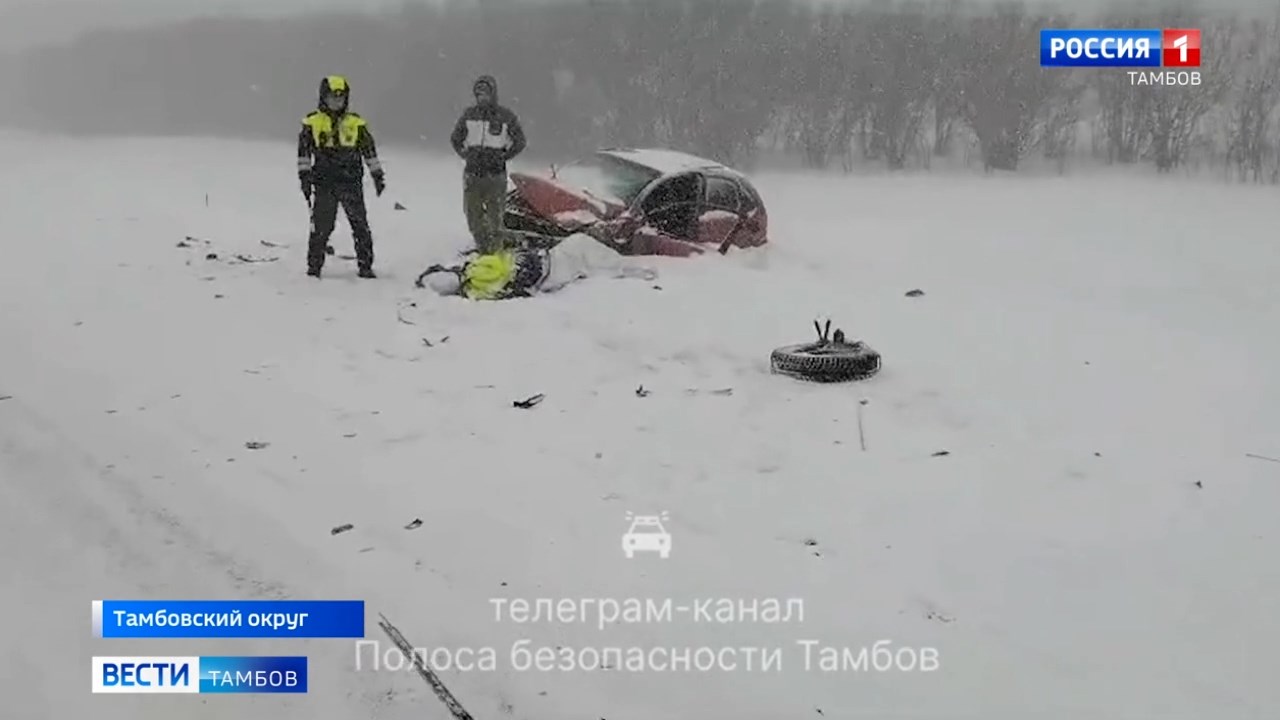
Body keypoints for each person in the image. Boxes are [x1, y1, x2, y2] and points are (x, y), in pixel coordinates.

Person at [297, 75, 386, 278]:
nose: (337, 101)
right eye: (332, 97)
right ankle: (314, 265)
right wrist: (304, 177)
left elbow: (369, 151)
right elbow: (303, 153)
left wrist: (377, 175)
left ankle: (365, 265)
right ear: (323, 97)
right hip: (324, 182)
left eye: (341, 97)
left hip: (350, 181)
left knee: (359, 224)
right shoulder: (312, 122)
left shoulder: (356, 123)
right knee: (321, 226)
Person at [415, 233, 655, 301]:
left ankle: (620, 267)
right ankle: (622, 269)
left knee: (580, 247)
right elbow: (512, 288)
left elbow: (506, 260)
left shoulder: (472, 269)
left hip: (545, 262)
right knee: (580, 248)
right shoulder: (476, 287)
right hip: (546, 272)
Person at [450, 75, 526, 254]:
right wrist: (465, 154)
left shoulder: (506, 116)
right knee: (473, 218)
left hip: (495, 176)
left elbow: (520, 141)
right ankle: (483, 250)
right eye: (479, 94)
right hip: (472, 175)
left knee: (495, 221)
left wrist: (503, 157)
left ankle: (496, 254)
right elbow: (455, 138)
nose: (482, 97)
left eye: (485, 93)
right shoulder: (469, 115)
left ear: (493, 94)